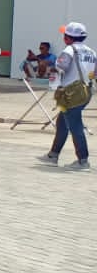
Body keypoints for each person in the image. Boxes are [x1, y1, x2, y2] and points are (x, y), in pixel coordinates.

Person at [38, 21, 95, 170]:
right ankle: (53, 155)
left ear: (68, 38)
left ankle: (83, 161)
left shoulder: (69, 50)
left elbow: (61, 67)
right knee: (62, 123)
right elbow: (94, 73)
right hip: (86, 92)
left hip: (71, 94)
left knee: (75, 126)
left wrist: (49, 66)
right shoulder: (91, 52)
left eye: (65, 35)